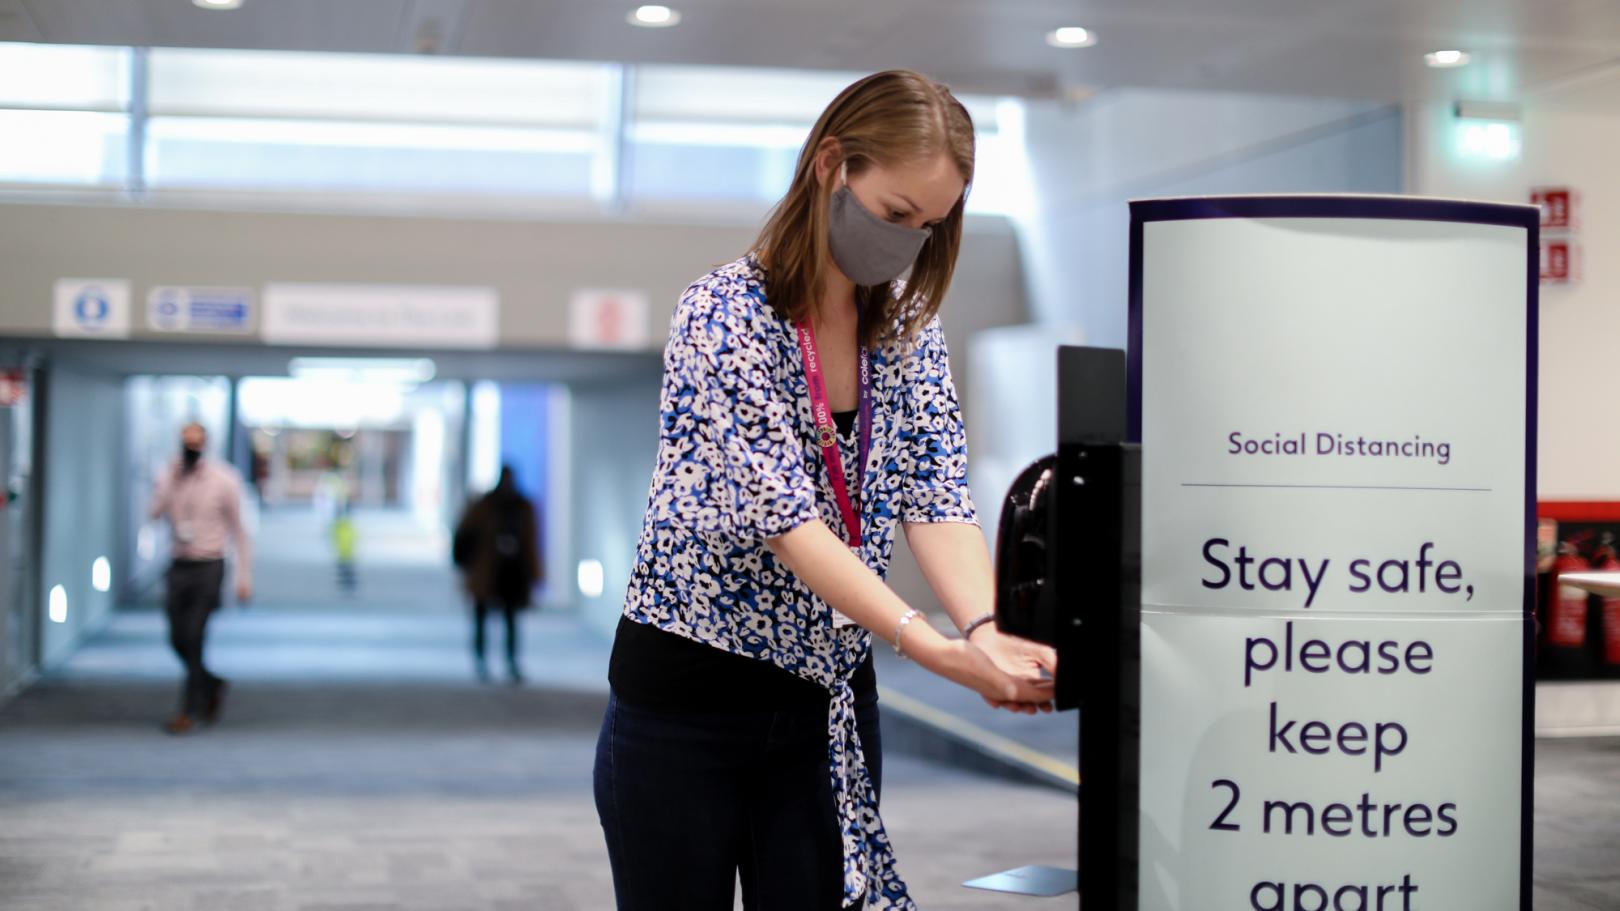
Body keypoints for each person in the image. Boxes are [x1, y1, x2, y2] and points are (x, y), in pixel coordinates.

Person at [593, 70, 1058, 911]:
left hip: (828, 701)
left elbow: (937, 494)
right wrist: (931, 645)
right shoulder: (724, 314)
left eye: (928, 224)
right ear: (829, 164)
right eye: (893, 213)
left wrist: (985, 630)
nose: (907, 242)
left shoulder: (909, 319)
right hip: (688, 701)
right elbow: (791, 524)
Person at [148, 422, 253, 736]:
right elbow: (153, 513)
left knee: (194, 636)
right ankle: (210, 682)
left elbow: (240, 531)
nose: (190, 446)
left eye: (196, 441)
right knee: (176, 638)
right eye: (186, 441)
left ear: (206, 443)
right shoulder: (170, 475)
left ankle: (188, 710)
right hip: (178, 564)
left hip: (210, 566)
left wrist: (244, 577)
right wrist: (169, 482)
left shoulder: (225, 479)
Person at [453, 466, 543, 683]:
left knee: (510, 619)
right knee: (482, 617)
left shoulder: (521, 507)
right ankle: (482, 661)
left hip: (511, 572)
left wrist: (534, 572)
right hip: (487, 571)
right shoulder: (485, 506)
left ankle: (510, 662)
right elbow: (466, 534)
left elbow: (531, 542)